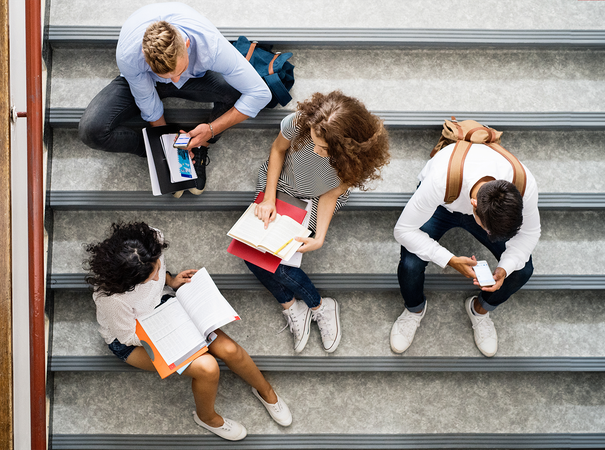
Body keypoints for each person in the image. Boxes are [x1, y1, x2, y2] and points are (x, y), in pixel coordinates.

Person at [85, 222, 291, 441]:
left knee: (229, 349)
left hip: (165, 307)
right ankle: (207, 417)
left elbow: (158, 275)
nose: (156, 277)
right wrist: (175, 330)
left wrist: (171, 281)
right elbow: (127, 337)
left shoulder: (152, 240)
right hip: (134, 338)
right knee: (207, 367)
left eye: (156, 267)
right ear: (128, 281)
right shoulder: (112, 299)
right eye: (148, 277)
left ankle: (266, 391)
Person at [78, 2, 271, 196]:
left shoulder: (211, 45)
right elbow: (147, 100)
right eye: (167, 75)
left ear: (187, 45)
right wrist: (166, 145)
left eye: (178, 71)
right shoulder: (129, 55)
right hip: (144, 80)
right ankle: (155, 151)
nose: (175, 80)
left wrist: (211, 129)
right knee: (91, 130)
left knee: (236, 92)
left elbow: (260, 93)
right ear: (145, 57)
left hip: (195, 79)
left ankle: (201, 144)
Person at [248, 91, 390, 353]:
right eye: (314, 141)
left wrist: (320, 236)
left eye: (324, 148)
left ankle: (308, 306)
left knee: (276, 258)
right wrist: (269, 198)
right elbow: (278, 150)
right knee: (251, 252)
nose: (316, 150)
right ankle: (307, 305)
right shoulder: (298, 123)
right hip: (280, 185)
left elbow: (332, 193)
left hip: (316, 198)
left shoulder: (357, 158)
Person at [391, 141, 540, 357]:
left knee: (523, 269)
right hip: (443, 203)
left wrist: (505, 269)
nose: (490, 238)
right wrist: (448, 259)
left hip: (473, 202)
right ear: (473, 205)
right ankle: (414, 309)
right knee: (410, 263)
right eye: (488, 231)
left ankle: (480, 310)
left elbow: (530, 233)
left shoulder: (525, 185)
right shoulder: (440, 180)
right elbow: (403, 230)